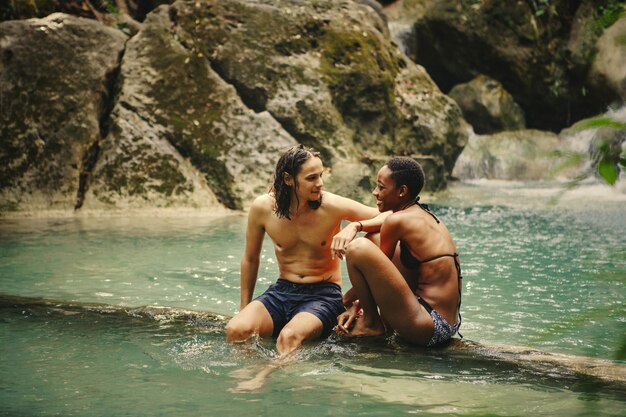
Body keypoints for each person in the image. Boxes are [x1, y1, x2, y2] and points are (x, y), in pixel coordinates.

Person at [225, 144, 379, 390]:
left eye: (321, 175)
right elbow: (250, 259)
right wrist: (243, 308)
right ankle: (250, 371)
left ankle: (262, 377)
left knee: (290, 337)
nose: (320, 183)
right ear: (288, 179)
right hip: (282, 290)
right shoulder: (262, 208)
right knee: (236, 329)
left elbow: (390, 217)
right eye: (311, 178)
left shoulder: (332, 205)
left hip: (323, 294)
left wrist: (355, 226)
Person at [332, 157, 462, 347]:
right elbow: (385, 222)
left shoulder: (397, 222)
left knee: (358, 248)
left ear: (402, 191)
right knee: (374, 239)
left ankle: (370, 323)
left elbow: (374, 276)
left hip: (429, 326)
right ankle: (374, 319)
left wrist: (343, 304)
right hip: (447, 325)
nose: (375, 192)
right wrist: (356, 226)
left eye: (381, 187)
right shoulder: (419, 214)